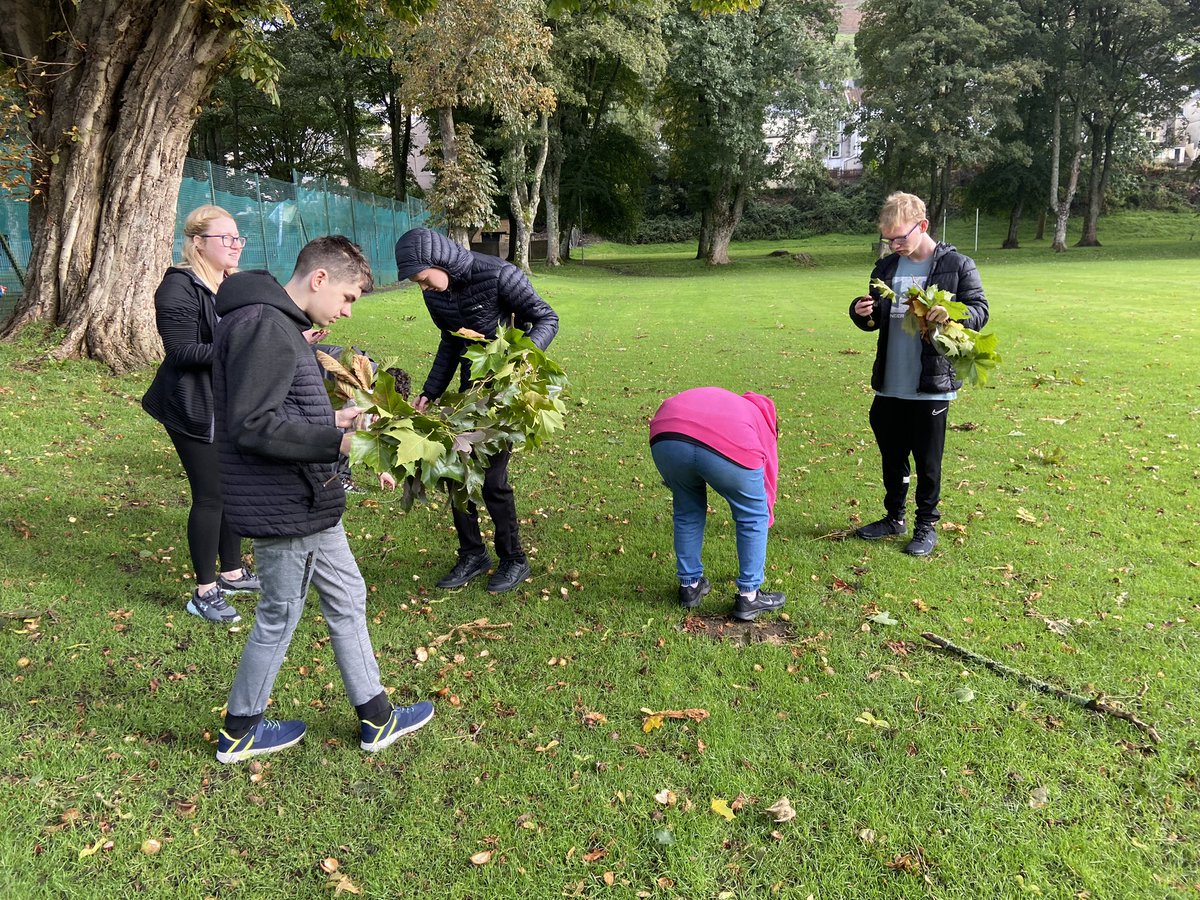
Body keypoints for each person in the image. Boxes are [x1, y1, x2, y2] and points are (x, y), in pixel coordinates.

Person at [209, 236, 434, 763]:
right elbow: (253, 426)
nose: (348, 310)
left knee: (348, 597)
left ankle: (376, 717)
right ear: (320, 279)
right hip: (286, 502)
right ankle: (240, 730)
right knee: (280, 614)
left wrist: (334, 418)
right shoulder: (264, 326)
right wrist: (342, 442)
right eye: (349, 297)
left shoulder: (277, 323)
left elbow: (277, 409)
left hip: (312, 500)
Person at [393, 227, 559, 594]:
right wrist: (431, 391)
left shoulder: (500, 275)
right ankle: (472, 553)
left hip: (503, 395)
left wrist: (518, 359)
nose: (424, 288)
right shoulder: (436, 296)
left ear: (439, 261)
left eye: (424, 279)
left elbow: (547, 318)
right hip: (468, 396)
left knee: (493, 481)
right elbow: (451, 342)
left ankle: (514, 558)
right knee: (456, 473)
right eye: (417, 284)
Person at [848, 192, 988, 556]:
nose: (894, 246)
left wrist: (953, 313)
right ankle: (894, 517)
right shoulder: (885, 268)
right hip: (890, 381)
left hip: (930, 384)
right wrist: (861, 312)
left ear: (922, 226)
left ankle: (926, 525)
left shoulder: (957, 265)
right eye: (888, 240)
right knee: (892, 454)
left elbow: (979, 310)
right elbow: (875, 320)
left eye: (899, 238)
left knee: (927, 460)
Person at [142, 205, 259, 624]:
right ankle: (204, 592)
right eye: (225, 238)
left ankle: (232, 572)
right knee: (211, 495)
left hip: (225, 402)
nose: (235, 245)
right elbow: (182, 351)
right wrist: (244, 348)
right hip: (190, 404)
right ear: (197, 242)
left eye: (238, 237)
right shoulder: (178, 286)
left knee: (233, 488)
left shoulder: (230, 284)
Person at [648, 387, 785, 622]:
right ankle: (749, 596)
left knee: (687, 510)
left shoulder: (735, 404)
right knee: (752, 515)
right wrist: (764, 511)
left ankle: (690, 586)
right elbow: (768, 474)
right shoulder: (762, 421)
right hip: (726, 439)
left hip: (666, 435)